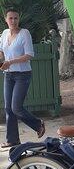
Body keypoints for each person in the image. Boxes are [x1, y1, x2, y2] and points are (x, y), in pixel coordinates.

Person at [0, 8, 45, 148]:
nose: (13, 21)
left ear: (19, 19)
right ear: (5, 19)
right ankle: (12, 140)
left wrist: (10, 62)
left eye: (16, 18)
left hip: (22, 75)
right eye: (10, 18)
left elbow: (29, 55)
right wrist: (1, 59)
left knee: (16, 107)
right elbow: (2, 51)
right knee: (8, 108)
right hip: (8, 75)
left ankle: (38, 124)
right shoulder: (4, 34)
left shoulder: (24, 33)